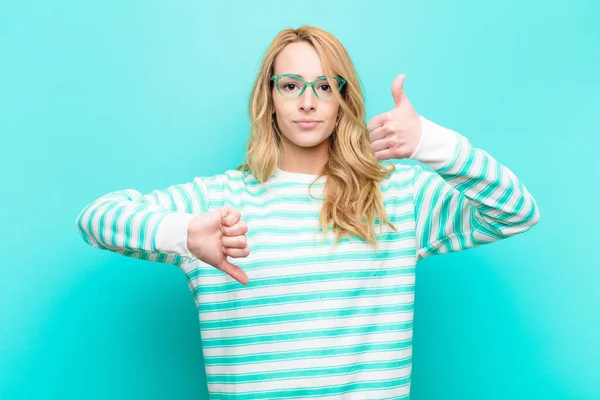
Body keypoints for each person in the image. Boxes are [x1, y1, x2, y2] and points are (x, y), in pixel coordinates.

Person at [75, 25, 540, 399]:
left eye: (323, 86)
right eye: (291, 85)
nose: (308, 100)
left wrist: (431, 144)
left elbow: (516, 211)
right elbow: (96, 218)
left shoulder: (397, 197)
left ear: (342, 101)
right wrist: (184, 234)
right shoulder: (215, 204)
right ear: (269, 98)